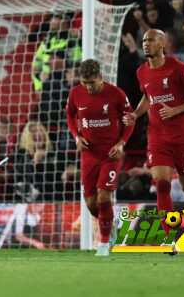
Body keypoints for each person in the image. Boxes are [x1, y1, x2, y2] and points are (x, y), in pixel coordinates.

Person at [123, 29, 184, 256]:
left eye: (150, 40)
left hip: (182, 137)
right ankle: (168, 238)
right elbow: (147, 97)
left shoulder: (177, 67)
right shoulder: (142, 72)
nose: (146, 44)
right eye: (143, 41)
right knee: (161, 184)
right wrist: (135, 114)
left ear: (162, 42)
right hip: (157, 137)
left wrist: (176, 110)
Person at [66, 59, 134, 256]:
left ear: (101, 78)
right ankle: (110, 223)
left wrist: (122, 143)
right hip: (88, 154)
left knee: (104, 195)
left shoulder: (116, 94)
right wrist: (76, 136)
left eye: (92, 83)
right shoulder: (75, 93)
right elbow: (70, 115)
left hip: (110, 154)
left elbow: (130, 119)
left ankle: (104, 243)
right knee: (90, 203)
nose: (88, 87)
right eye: (84, 83)